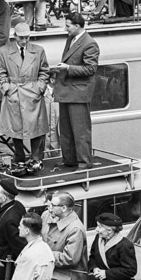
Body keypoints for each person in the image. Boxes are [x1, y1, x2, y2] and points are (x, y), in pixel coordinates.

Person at [0, 22, 50, 171]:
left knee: (36, 127)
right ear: (15, 36)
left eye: (27, 37)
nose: (24, 41)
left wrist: (40, 87)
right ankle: (19, 156)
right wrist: (8, 88)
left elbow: (44, 71)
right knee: (15, 127)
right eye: (21, 38)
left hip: (33, 93)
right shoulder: (3, 51)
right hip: (15, 93)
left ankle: (36, 158)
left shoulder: (39, 51)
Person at [51, 13, 99, 169]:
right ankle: (69, 160)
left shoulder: (90, 43)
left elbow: (91, 69)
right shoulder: (71, 39)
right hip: (67, 91)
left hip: (78, 93)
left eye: (68, 26)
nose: (66, 29)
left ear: (77, 26)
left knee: (80, 131)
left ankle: (84, 163)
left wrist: (68, 68)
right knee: (65, 129)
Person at [43, 191, 87, 280]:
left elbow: (70, 258)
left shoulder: (75, 229)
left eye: (53, 205)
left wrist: (45, 255)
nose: (50, 208)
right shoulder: (50, 218)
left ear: (63, 208)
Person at [0, 180, 27, 280]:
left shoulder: (10, 220)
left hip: (4, 268)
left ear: (4, 198)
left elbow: (19, 245)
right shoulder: (16, 205)